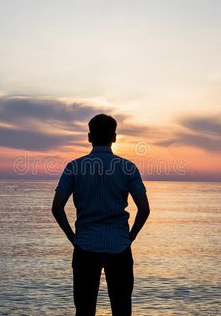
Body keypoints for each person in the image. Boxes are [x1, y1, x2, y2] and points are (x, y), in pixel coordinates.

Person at [51, 113, 151, 316]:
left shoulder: (74, 167)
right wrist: (130, 237)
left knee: (84, 310)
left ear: (89, 137)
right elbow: (144, 208)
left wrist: (73, 237)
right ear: (114, 137)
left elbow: (57, 207)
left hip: (85, 246)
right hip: (119, 246)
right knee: (122, 310)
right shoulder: (127, 167)